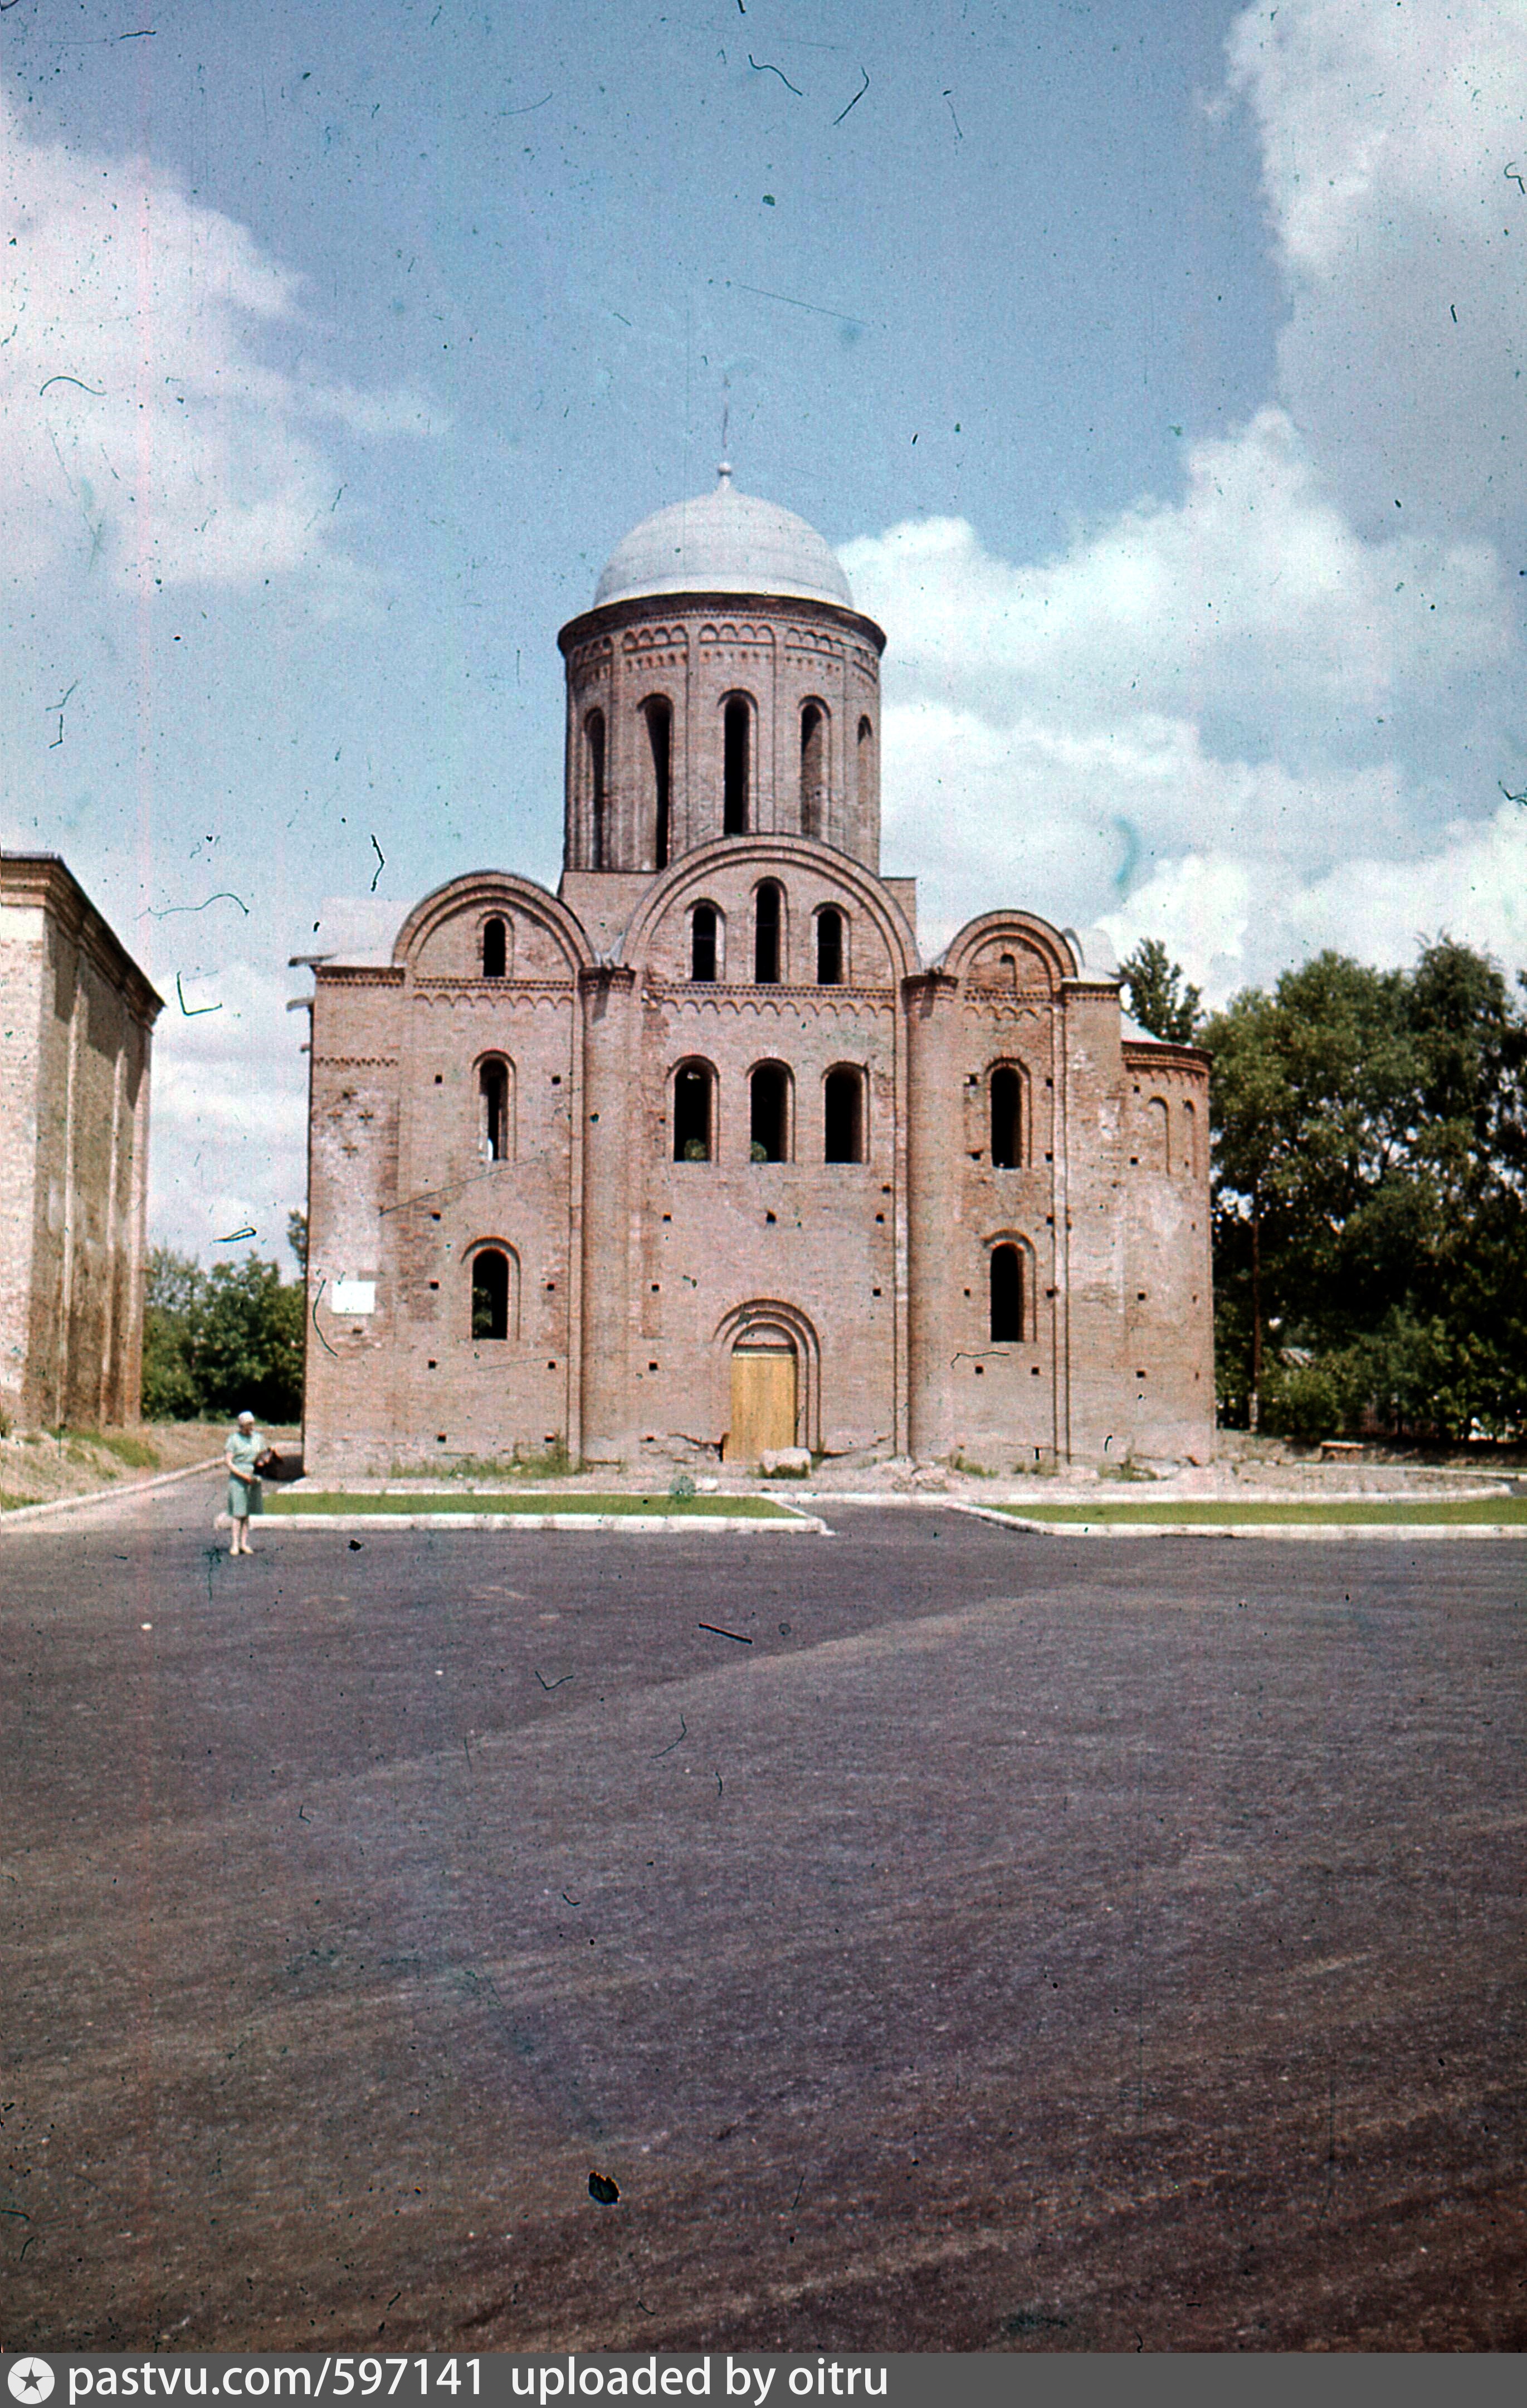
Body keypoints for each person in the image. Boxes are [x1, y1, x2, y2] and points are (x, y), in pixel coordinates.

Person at [224, 1410, 264, 1556]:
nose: (251, 1427)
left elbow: (260, 1458)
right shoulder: (233, 1439)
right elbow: (228, 1461)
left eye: (252, 1424)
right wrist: (242, 1475)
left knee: (247, 1513)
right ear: (241, 1425)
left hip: (252, 1476)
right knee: (238, 1513)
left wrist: (264, 1463)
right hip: (238, 1476)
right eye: (248, 1425)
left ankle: (244, 1543)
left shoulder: (258, 1439)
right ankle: (234, 1545)